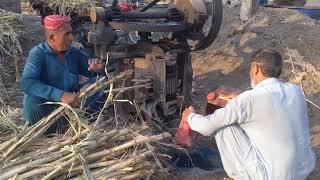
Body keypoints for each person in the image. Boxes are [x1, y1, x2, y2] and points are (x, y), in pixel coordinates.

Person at [182, 49, 315, 179]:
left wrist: (190, 117)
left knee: (224, 127)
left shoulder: (249, 99)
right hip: (304, 169)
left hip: (273, 176)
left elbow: (207, 127)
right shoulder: (296, 91)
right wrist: (241, 98)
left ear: (256, 68)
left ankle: (239, 176)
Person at [21, 15, 105, 126]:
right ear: (52, 38)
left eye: (71, 33)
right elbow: (27, 83)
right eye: (66, 34)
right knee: (32, 100)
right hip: (46, 113)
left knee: (98, 83)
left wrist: (98, 68)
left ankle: (82, 121)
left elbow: (90, 69)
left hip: (70, 108)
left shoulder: (73, 52)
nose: (72, 38)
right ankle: (50, 129)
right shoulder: (37, 54)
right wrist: (60, 95)